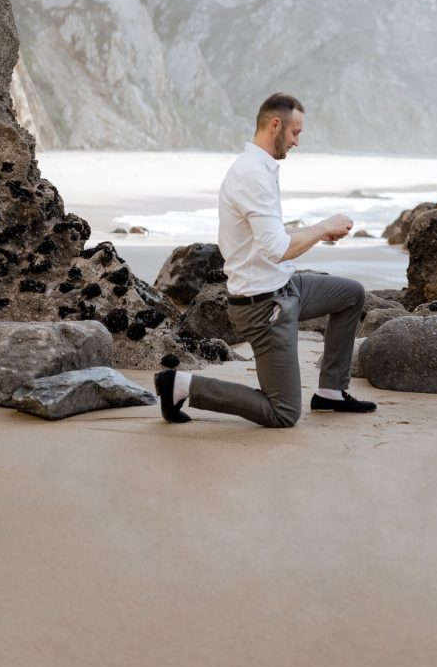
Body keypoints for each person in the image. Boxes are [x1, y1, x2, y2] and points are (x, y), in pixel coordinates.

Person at [154, 92, 376, 426]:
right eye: (295, 133)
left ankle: (331, 391)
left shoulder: (262, 168)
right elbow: (277, 248)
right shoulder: (251, 175)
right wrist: (321, 227)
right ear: (275, 125)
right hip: (263, 307)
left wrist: (318, 231)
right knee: (283, 413)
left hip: (285, 287)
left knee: (351, 295)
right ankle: (181, 385)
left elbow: (269, 238)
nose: (297, 142)